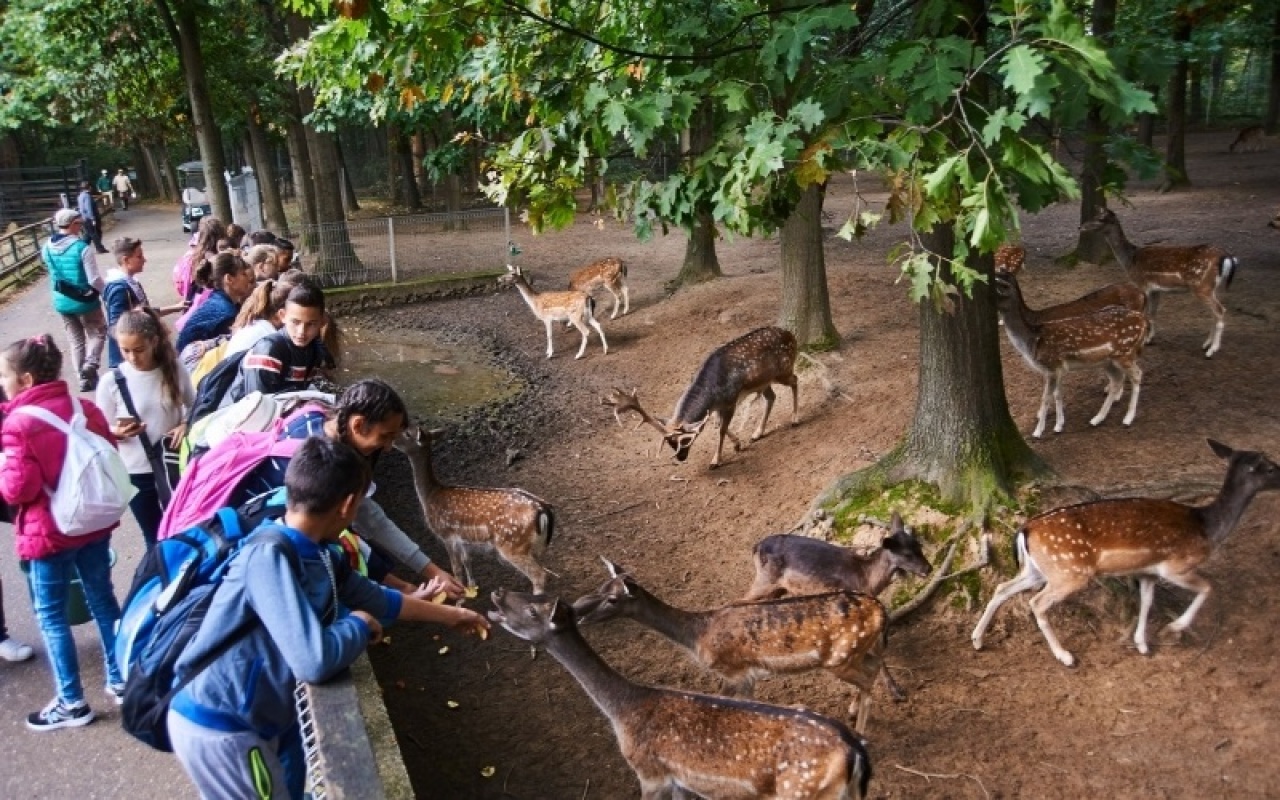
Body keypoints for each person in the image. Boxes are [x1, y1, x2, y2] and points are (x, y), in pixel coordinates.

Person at [166, 436, 488, 798]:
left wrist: (448, 615)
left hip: (261, 717)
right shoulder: (269, 559)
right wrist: (358, 624)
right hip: (224, 729)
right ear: (349, 504)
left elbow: (379, 599)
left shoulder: (320, 553)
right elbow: (313, 660)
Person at [224, 379, 464, 595]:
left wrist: (420, 577)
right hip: (250, 548)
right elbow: (362, 524)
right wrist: (411, 584)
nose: (389, 447)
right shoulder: (323, 465)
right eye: (385, 436)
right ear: (358, 424)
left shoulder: (317, 417)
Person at [0, 335, 124, 730]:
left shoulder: (18, 424)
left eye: (5, 375)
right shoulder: (81, 407)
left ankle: (72, 701)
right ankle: (120, 675)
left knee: (50, 615)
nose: (1, 382)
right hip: (92, 522)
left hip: (49, 533)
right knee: (103, 598)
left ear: (26, 379)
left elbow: (18, 489)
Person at [96, 309, 194, 550]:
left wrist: (185, 424)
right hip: (136, 472)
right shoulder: (112, 382)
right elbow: (98, 428)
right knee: (153, 537)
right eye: (124, 350)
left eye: (138, 350)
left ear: (153, 341)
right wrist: (115, 432)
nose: (132, 357)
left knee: (182, 528)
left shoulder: (174, 369)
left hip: (173, 466)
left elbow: (196, 405)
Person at [226, 282, 332, 403]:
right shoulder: (269, 351)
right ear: (282, 316)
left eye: (311, 324)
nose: (301, 332)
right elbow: (258, 406)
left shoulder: (315, 350)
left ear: (322, 321)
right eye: (295, 322)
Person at [42, 209, 107, 392]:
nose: (81, 226)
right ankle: (91, 364)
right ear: (71, 224)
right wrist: (106, 291)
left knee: (76, 340)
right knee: (98, 332)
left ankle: (82, 379)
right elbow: (93, 279)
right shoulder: (82, 248)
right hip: (85, 300)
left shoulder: (47, 246)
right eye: (79, 223)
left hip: (62, 301)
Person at [102, 238, 185, 368]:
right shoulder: (120, 289)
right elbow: (115, 327)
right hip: (129, 361)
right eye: (139, 256)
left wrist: (176, 307)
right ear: (126, 260)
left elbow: (145, 311)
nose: (144, 260)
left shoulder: (131, 283)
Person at [175, 253, 256, 353]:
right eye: (243, 274)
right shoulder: (226, 314)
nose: (248, 279)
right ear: (229, 279)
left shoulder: (216, 298)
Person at [76, 181, 108, 254]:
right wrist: (92, 218)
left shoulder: (80, 196)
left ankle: (82, 248)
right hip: (89, 218)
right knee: (95, 233)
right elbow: (88, 208)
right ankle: (99, 248)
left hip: (84, 217)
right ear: (89, 187)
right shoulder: (87, 196)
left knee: (89, 234)